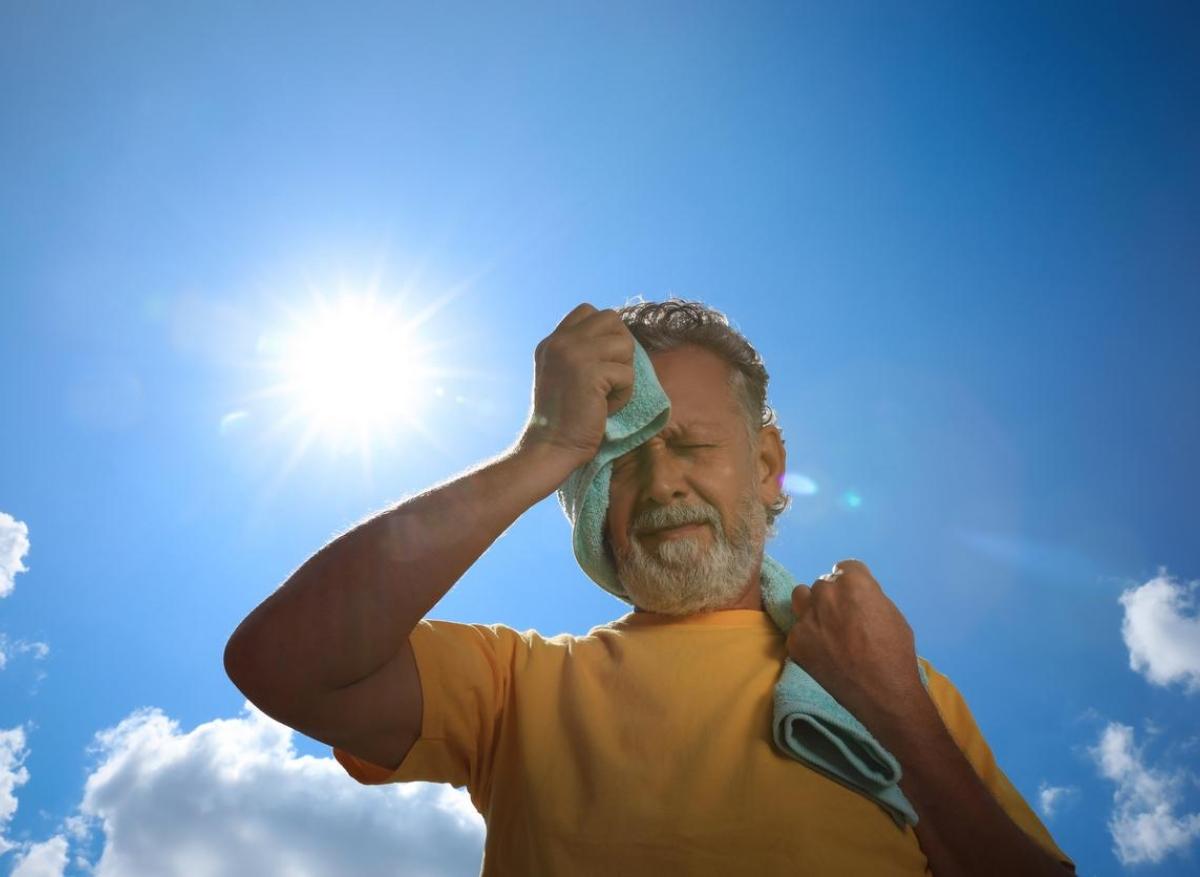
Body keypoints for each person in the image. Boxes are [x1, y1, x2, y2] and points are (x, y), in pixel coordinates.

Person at [224, 299, 1076, 875]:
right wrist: (546, 447)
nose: (663, 482)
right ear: (584, 498)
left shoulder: (900, 686)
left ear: (769, 465)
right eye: (618, 460)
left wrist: (898, 706)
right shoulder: (514, 685)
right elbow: (282, 664)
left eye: (693, 444)